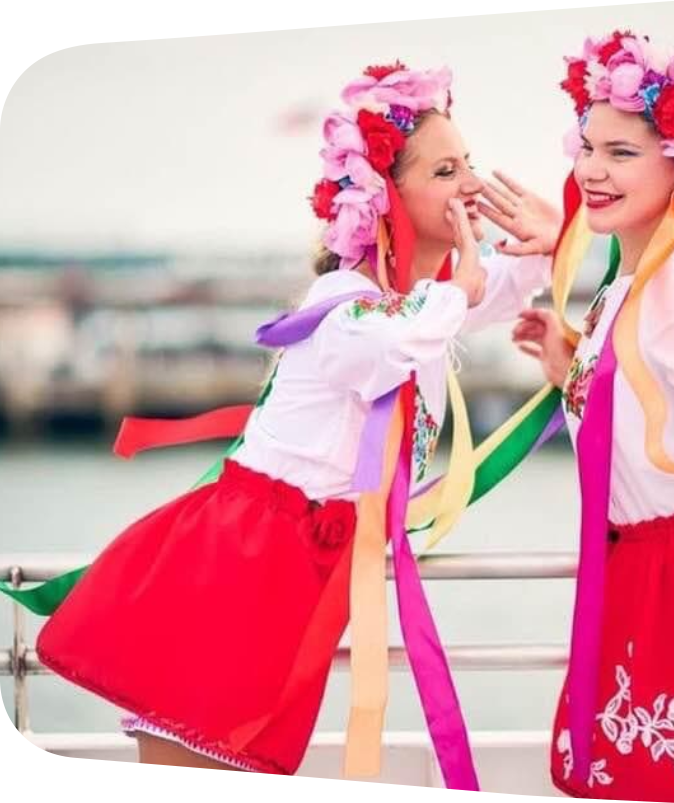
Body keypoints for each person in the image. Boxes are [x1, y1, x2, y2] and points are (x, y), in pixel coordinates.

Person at [20, 61, 562, 786]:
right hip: (240, 561)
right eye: (444, 169)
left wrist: (551, 243)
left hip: (298, 575)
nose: (471, 182)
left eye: (469, 162)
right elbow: (391, 343)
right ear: (385, 198)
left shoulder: (424, 296)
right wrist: (460, 294)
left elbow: (483, 293)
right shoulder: (343, 300)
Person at [509, 31, 674, 801]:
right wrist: (574, 370)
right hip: (640, 580)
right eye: (588, 146)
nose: (591, 168)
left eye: (623, 153)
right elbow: (652, 420)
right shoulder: (632, 282)